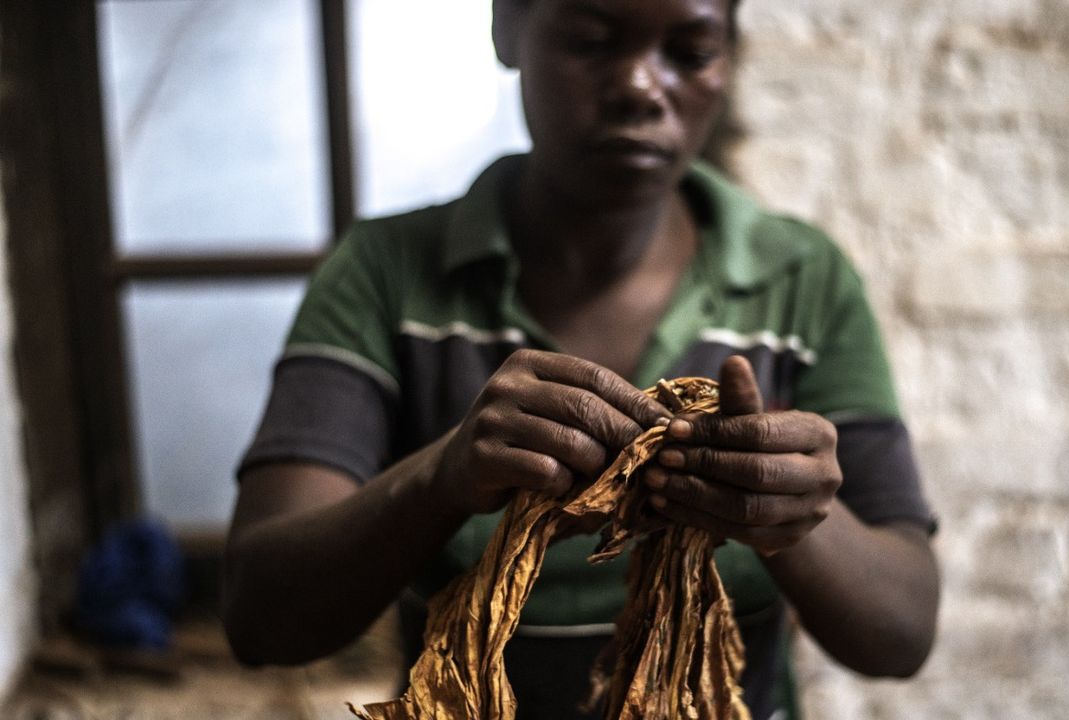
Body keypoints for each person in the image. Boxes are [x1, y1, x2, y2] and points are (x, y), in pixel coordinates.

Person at [221, 0, 940, 717]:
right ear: (507, 29)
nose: (639, 85)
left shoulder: (803, 281)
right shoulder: (385, 274)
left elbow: (901, 634)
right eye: (593, 42)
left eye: (689, 53)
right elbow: (259, 617)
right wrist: (441, 476)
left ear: (729, 61)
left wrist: (800, 518)